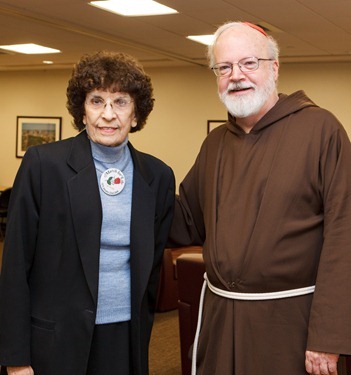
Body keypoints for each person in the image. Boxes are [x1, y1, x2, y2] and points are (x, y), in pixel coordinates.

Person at [169, 21, 351, 375]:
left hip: (291, 325)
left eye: (249, 63)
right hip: (221, 320)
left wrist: (328, 337)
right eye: (224, 67)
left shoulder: (321, 131)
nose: (236, 75)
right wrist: (133, 182)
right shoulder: (216, 142)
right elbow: (186, 220)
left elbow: (345, 235)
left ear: (274, 67)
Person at [0, 51, 175, 375]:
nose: (108, 114)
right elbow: (14, 267)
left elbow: (151, 271)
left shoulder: (158, 176)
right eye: (97, 101)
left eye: (120, 102)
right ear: (81, 111)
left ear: (136, 115)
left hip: (125, 337)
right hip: (55, 339)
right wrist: (15, 357)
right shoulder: (43, 165)